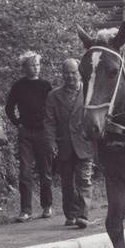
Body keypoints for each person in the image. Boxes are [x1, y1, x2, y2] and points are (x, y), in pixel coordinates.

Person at [44, 58, 93, 229]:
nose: (70, 76)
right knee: (67, 182)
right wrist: (51, 143)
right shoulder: (53, 96)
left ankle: (83, 215)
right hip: (63, 145)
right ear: (62, 74)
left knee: (84, 179)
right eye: (67, 72)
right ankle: (71, 214)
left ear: (80, 73)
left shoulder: (89, 92)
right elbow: (49, 122)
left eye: (73, 72)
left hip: (84, 143)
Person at [5, 51, 54, 223]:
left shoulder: (46, 85)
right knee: (25, 173)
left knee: (45, 171)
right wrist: (16, 122)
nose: (36, 68)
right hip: (25, 132)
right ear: (24, 67)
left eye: (38, 64)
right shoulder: (19, 86)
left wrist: (50, 126)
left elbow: (52, 108)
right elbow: (9, 107)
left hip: (43, 132)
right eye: (32, 65)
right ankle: (25, 210)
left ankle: (47, 206)